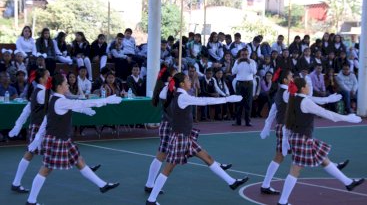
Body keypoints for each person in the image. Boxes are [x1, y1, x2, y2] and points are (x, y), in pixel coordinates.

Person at [146, 72, 248, 205]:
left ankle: (231, 182)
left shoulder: (178, 94)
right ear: (182, 83)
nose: (190, 81)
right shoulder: (182, 97)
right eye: (188, 79)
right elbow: (204, 101)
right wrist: (227, 99)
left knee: (208, 158)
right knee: (168, 169)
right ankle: (151, 200)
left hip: (185, 137)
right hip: (180, 138)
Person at [25, 73, 122, 205]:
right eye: (65, 84)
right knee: (45, 169)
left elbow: (47, 120)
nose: (68, 85)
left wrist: (37, 139)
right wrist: (106, 101)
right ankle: (31, 201)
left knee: (79, 160)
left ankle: (102, 185)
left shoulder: (55, 99)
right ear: (59, 86)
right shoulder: (60, 101)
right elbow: (82, 103)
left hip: (63, 139)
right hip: (56, 140)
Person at [277, 77, 364, 205]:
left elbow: (287, 123)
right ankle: (282, 201)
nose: (309, 87)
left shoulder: (293, 99)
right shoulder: (305, 102)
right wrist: (347, 118)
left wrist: (285, 140)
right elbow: (327, 114)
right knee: (295, 170)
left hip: (298, 138)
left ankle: (348, 182)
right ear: (302, 88)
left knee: (323, 158)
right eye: (307, 85)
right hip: (302, 139)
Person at [232, 48, 257, 126]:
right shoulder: (237, 61)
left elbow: (254, 72)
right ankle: (238, 121)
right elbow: (233, 72)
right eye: (243, 54)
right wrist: (237, 63)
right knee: (238, 103)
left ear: (248, 54)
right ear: (240, 54)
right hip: (239, 83)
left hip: (249, 83)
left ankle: (248, 121)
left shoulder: (252, 61)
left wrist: (249, 63)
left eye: (246, 54)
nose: (244, 56)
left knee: (248, 103)